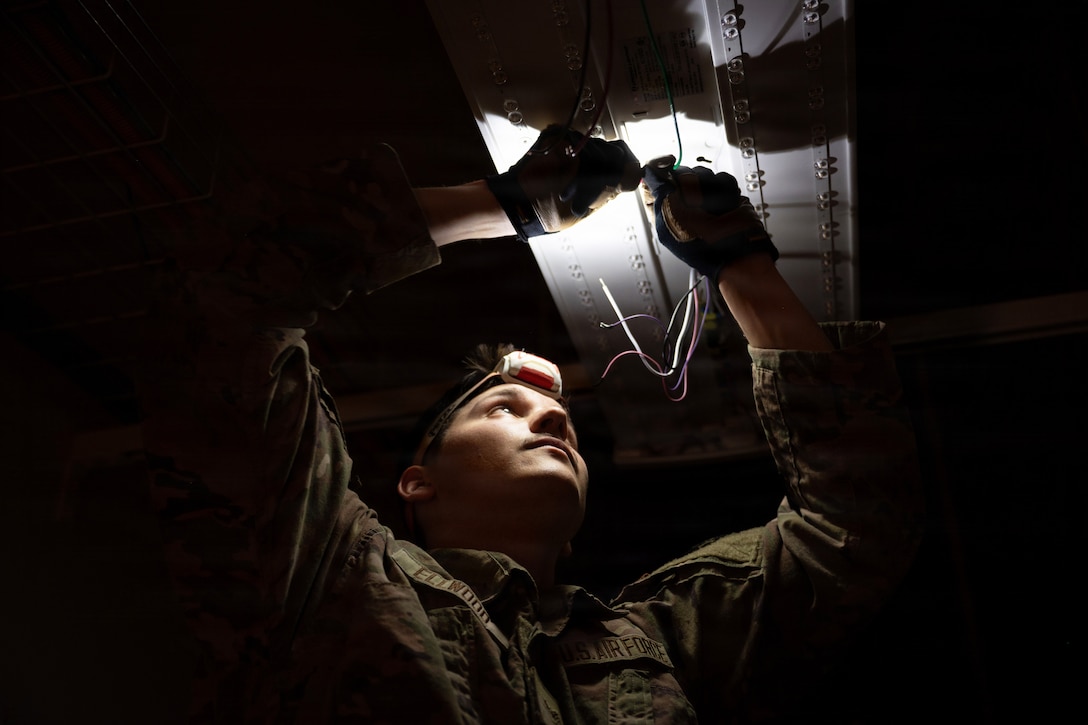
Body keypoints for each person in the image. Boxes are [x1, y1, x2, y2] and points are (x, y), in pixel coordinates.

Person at [140, 125, 924, 723]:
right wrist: (508, 203)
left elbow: (853, 525)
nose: (551, 412)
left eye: (562, 421)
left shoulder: (661, 638)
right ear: (416, 480)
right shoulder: (326, 574)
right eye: (505, 406)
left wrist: (741, 265)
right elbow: (220, 293)